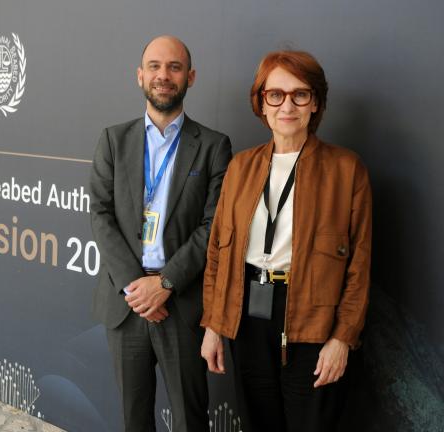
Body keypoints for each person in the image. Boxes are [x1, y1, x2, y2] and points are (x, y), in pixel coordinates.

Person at [200, 50, 372, 432]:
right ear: (261, 103)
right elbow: (217, 254)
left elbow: (359, 267)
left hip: (314, 322)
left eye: (300, 94)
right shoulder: (240, 167)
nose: (287, 105)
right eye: (275, 94)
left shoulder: (347, 170)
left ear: (316, 103)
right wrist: (214, 324)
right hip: (248, 316)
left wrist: (342, 338)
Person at [90, 35, 232, 432]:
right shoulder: (113, 141)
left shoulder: (214, 147)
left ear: (191, 76)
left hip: (181, 304)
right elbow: (100, 215)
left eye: (174, 67)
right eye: (154, 66)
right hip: (128, 305)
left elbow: (214, 226)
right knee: (135, 420)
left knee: (191, 420)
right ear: (140, 76)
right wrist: (138, 287)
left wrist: (165, 283)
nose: (163, 76)